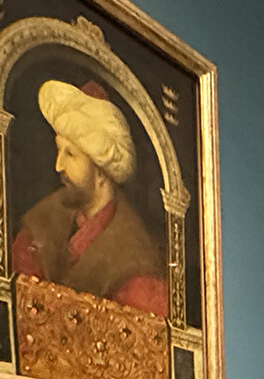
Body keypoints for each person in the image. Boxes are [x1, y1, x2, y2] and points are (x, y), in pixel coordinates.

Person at [11, 79, 168, 318]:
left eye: (71, 154)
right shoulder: (40, 224)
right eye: (59, 150)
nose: (58, 166)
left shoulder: (137, 266)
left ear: (101, 171)